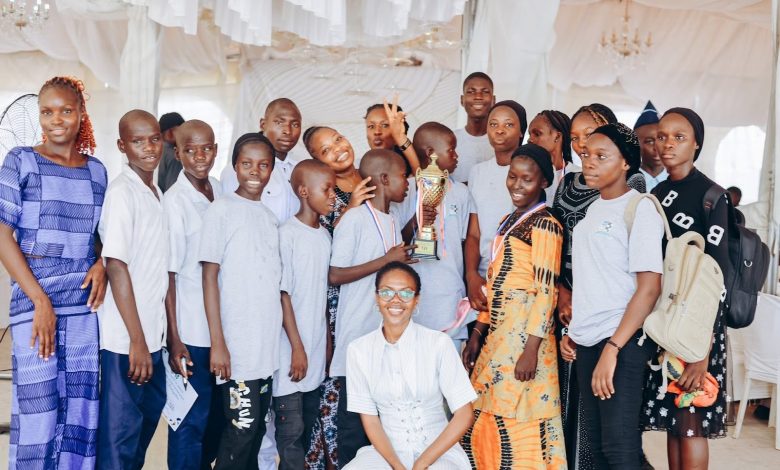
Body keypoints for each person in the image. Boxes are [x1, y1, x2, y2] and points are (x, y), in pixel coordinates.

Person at [0, 76, 107, 469]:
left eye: (65, 110)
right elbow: (1, 234)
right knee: (39, 411)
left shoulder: (97, 172)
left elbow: (101, 238)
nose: (56, 120)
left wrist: (101, 263)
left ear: (81, 115)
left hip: (84, 303)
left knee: (80, 408)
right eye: (47, 111)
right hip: (34, 297)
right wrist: (40, 300)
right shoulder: (20, 160)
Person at [560, 122, 664, 469]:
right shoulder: (593, 211)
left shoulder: (639, 208)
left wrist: (614, 348)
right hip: (592, 342)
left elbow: (649, 288)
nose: (589, 162)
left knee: (620, 449)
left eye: (601, 156)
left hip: (622, 343)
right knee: (602, 452)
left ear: (625, 164)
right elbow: (597, 282)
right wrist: (576, 333)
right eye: (587, 155)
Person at [461, 143, 567, 468]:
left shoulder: (546, 224)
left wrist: (532, 349)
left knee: (521, 418)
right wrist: (479, 330)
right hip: (498, 335)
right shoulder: (509, 220)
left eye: (527, 180)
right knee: (485, 413)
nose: (517, 186)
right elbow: (495, 282)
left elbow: (546, 291)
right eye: (512, 177)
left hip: (525, 340)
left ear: (544, 183)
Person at [641, 108, 732, 470]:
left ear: (696, 144)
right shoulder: (657, 194)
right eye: (662, 136)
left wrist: (701, 350)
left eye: (678, 137)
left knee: (692, 423)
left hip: (699, 327)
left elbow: (716, 279)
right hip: (665, 322)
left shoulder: (712, 196)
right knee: (674, 423)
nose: (667, 144)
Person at [199, 133, 282, 470]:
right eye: (247, 163)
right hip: (237, 350)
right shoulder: (222, 210)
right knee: (240, 430)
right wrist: (218, 343)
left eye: (263, 165)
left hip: (264, 351)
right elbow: (209, 276)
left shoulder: (268, 217)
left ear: (272, 170)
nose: (254, 171)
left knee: (257, 428)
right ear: (234, 166)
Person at [343, 262, 477, 469]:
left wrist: (421, 463)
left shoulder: (438, 343)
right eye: (387, 292)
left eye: (405, 293)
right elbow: (370, 420)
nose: (395, 300)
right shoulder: (358, 350)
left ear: (416, 301)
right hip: (386, 453)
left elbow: (464, 414)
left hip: (438, 451)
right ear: (377, 297)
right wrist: (397, 465)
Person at [329, 149, 414, 466]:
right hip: (357, 341)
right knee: (354, 431)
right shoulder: (355, 218)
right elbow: (335, 274)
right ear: (383, 178)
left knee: (382, 433)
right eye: (403, 175)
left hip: (385, 343)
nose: (407, 183)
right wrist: (387, 261)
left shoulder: (391, 221)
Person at [96, 109, 168, 469]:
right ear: (122, 145)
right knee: (120, 439)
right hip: (126, 342)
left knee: (143, 427)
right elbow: (116, 266)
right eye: (138, 141)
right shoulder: (123, 192)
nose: (149, 148)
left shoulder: (153, 191)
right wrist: (136, 340)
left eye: (154, 138)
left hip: (152, 336)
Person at [301, 125, 376, 468]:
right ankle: (333, 459)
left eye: (339, 140)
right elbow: (331, 251)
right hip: (341, 301)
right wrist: (352, 207)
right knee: (340, 386)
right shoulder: (327, 194)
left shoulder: (376, 173)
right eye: (326, 149)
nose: (338, 149)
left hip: (379, 295)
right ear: (318, 161)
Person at [162, 120, 222, 470]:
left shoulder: (217, 188)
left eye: (207, 148)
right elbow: (168, 274)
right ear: (178, 152)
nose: (200, 157)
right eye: (191, 150)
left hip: (218, 328)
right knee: (188, 421)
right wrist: (175, 338)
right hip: (191, 332)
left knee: (214, 419)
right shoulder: (175, 203)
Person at [274, 159, 336, 470]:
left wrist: (325, 341)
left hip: (314, 350)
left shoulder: (324, 236)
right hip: (291, 352)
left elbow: (322, 293)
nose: (333, 196)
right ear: (303, 192)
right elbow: (283, 295)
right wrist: (296, 348)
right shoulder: (288, 234)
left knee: (307, 427)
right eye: (326, 189)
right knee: (290, 435)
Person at [405, 121, 475, 348]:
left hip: (450, 291)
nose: (456, 156)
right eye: (451, 149)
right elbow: (395, 239)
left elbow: (465, 242)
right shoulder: (407, 190)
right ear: (430, 153)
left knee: (447, 366)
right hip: (415, 293)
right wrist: (417, 221)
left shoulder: (462, 193)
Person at [464, 100, 526, 319]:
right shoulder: (477, 172)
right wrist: (471, 276)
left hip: (518, 282)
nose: (500, 130)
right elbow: (473, 233)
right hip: (482, 280)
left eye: (509, 125)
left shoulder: (529, 172)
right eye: (493, 124)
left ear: (521, 132)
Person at [220, 98, 304, 224]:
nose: (288, 131)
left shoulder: (300, 169)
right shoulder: (238, 169)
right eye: (279, 122)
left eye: (295, 124)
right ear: (263, 124)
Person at [451, 72, 496, 183]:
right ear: (462, 99)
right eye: (471, 92)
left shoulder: (501, 141)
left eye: (485, 92)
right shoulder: (450, 140)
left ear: (493, 100)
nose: (478, 97)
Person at [364, 98, 420, 175]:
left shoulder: (411, 167)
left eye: (385, 125)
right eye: (371, 126)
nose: (377, 132)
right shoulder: (359, 167)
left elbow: (423, 182)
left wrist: (401, 139)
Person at [634, 101, 667, 192]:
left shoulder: (677, 182)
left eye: (661, 139)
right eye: (649, 141)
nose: (657, 147)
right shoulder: (626, 184)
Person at [158, 112, 185, 192]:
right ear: (170, 133)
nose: (185, 135)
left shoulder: (156, 151)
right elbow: (172, 190)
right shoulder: (174, 156)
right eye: (181, 131)